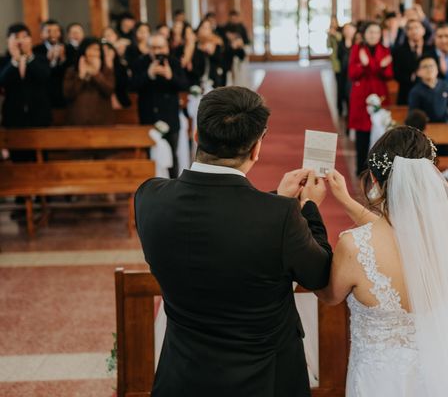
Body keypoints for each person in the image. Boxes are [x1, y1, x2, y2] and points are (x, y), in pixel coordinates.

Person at [135, 86, 332, 396]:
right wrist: (308, 209)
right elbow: (319, 273)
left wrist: (279, 202)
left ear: (197, 135)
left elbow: (220, 223)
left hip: (183, 376)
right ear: (256, 149)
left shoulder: (149, 197)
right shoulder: (278, 217)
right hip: (265, 379)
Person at [316, 126, 448, 397]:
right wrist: (345, 200)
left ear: (374, 181)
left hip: (380, 380)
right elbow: (402, 235)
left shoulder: (354, 246)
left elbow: (330, 296)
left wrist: (309, 214)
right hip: (443, 372)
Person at [130, 33, 190, 177]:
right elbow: (131, 86)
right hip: (148, 117)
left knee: (171, 156)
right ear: (148, 49)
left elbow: (185, 85)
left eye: (160, 48)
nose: (157, 52)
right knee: (149, 156)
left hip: (170, 116)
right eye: (154, 48)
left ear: (167, 48)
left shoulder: (174, 63)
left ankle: (174, 188)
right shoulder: (140, 63)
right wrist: (148, 74)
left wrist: (171, 77)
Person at [348, 21, 393, 175]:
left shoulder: (385, 50)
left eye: (376, 32)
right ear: (365, 34)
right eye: (370, 32)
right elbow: (352, 73)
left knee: (380, 132)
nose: (373, 35)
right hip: (362, 97)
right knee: (362, 133)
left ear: (380, 35)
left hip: (380, 95)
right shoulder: (357, 49)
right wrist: (377, 65)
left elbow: (388, 74)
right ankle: (360, 168)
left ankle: (378, 168)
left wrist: (369, 65)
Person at [0, 23, 52, 130]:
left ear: (30, 39)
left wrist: (29, 57)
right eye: (16, 37)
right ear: (8, 40)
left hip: (39, 115)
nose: (20, 41)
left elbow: (44, 77)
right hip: (13, 116)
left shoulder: (41, 59)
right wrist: (15, 61)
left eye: (24, 37)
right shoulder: (3, 61)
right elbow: (2, 81)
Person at [63, 37, 115, 126]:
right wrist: (81, 77)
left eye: (97, 50)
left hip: (102, 122)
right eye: (90, 49)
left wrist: (96, 74)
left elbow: (109, 90)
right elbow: (68, 94)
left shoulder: (106, 70)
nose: (93, 53)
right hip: (77, 122)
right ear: (83, 52)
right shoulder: (72, 71)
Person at [408, 56, 448, 127]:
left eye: (432, 66)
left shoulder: (444, 85)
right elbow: (413, 113)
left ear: (437, 69)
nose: (429, 69)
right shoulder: (415, 91)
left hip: (445, 125)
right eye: (425, 66)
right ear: (418, 72)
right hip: (426, 128)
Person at [392, 19, 430, 105]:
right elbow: (396, 73)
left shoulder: (430, 49)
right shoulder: (399, 51)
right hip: (406, 92)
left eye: (416, 28)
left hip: (428, 93)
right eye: (410, 28)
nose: (414, 31)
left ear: (423, 30)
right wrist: (412, 77)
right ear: (406, 32)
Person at [33, 19, 68, 108]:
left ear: (60, 33)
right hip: (43, 98)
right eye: (48, 31)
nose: (52, 34)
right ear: (42, 34)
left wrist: (62, 59)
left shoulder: (68, 49)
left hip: (64, 97)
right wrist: (49, 61)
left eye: (56, 31)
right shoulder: (36, 51)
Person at [327, 16, 344, 114]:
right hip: (335, 61)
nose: (333, 23)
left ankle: (342, 105)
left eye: (334, 21)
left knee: (342, 85)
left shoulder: (341, 31)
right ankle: (339, 107)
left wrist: (335, 33)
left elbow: (342, 39)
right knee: (338, 84)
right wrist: (329, 36)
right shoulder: (331, 32)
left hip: (342, 59)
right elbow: (328, 46)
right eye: (331, 21)